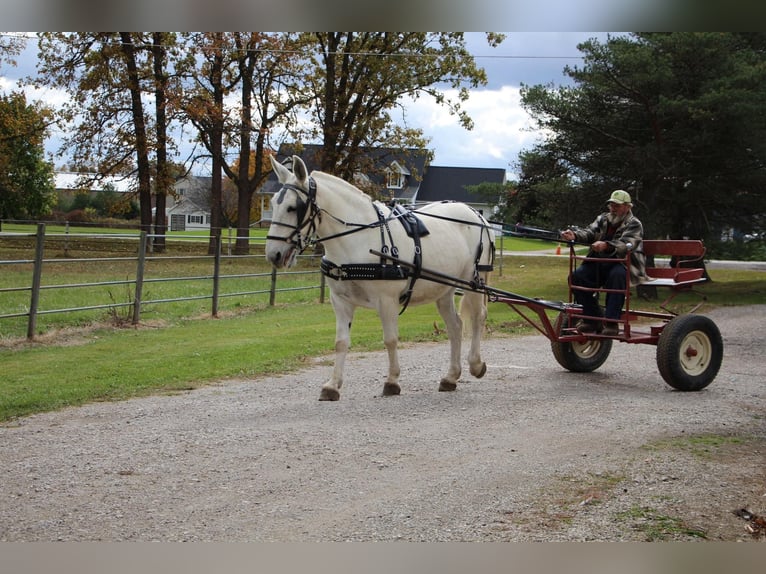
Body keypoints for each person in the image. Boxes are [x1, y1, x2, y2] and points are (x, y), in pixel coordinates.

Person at [559, 189, 646, 336]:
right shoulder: (603, 218)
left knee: (617, 276)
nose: (613, 208)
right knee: (576, 277)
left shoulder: (634, 223)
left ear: (627, 207)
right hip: (600, 263)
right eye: (611, 205)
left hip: (624, 263)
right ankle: (592, 318)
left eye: (616, 206)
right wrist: (574, 235)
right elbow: (589, 233)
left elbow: (626, 244)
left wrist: (606, 245)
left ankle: (612, 323)